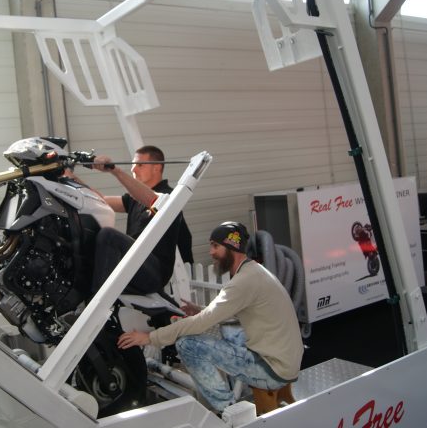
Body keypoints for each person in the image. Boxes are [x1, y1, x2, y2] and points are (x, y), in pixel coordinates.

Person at [117, 222, 303, 414]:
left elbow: (201, 323)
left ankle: (229, 410)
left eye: (215, 246)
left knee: (187, 344)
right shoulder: (254, 271)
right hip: (285, 361)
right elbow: (228, 311)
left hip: (272, 369)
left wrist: (150, 338)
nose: (211, 252)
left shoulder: (243, 281)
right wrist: (200, 310)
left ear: (232, 247)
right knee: (229, 329)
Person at [89, 146, 192, 295]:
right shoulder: (133, 198)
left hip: (154, 272)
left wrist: (114, 170)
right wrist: (69, 177)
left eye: (140, 165)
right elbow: (99, 200)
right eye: (132, 165)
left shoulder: (169, 196)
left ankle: (96, 301)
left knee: (108, 235)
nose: (133, 169)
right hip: (134, 263)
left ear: (156, 168)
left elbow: (152, 199)